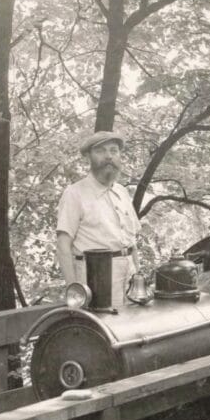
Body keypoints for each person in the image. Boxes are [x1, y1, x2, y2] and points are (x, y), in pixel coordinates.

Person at [56, 130, 141, 308]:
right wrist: (74, 291)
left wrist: (139, 279)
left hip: (129, 278)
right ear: (89, 156)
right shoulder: (75, 193)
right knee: (102, 330)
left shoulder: (122, 192)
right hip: (95, 279)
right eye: (101, 151)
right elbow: (63, 245)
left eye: (113, 150)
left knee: (131, 329)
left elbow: (132, 244)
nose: (108, 156)